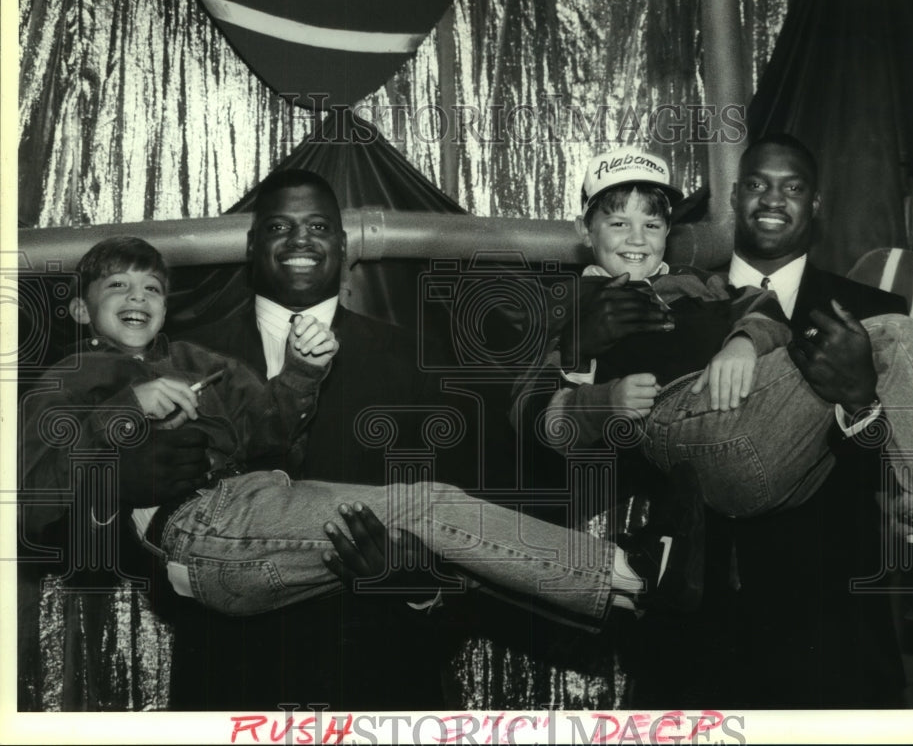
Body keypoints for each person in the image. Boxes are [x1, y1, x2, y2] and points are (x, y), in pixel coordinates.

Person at [23, 235, 689, 634]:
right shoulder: (72, 374)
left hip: (250, 531)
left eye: (153, 287)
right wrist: (125, 412)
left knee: (437, 545)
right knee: (428, 502)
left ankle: (624, 596)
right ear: (83, 309)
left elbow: (274, 430)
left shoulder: (199, 363)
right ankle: (622, 572)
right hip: (207, 527)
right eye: (118, 286)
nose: (138, 297)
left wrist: (305, 371)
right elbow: (30, 492)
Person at [526, 146, 913, 541]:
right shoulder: (564, 304)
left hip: (776, 457)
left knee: (895, 337)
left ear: (669, 232)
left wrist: (742, 342)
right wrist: (596, 393)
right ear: (586, 230)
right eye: (618, 222)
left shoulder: (694, 284)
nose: (637, 238)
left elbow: (763, 306)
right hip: (683, 430)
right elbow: (531, 416)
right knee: (893, 334)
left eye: (652, 223)